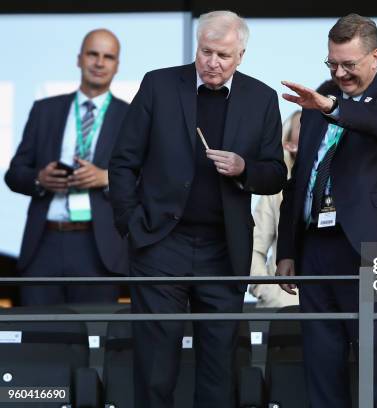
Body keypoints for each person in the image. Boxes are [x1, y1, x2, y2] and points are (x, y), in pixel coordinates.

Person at [108, 11, 285, 408]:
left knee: (219, 369)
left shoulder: (261, 98)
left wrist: (244, 169)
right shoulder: (159, 84)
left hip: (224, 249)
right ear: (197, 47)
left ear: (241, 54)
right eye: (206, 51)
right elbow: (122, 162)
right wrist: (131, 225)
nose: (212, 62)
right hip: (159, 244)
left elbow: (274, 173)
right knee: (155, 367)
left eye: (223, 54)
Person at [276, 14, 377, 407]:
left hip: (376, 250)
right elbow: (299, 179)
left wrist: (331, 107)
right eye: (332, 64)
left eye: (349, 64)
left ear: (375, 56)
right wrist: (287, 249)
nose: (340, 73)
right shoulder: (316, 105)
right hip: (317, 251)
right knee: (321, 365)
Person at [4, 29, 128, 305]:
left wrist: (105, 177)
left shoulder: (130, 116)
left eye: (108, 57)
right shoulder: (44, 110)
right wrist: (40, 179)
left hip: (98, 247)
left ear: (117, 66)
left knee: (93, 340)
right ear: (79, 59)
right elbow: (14, 173)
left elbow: (148, 179)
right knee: (40, 338)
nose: (99, 63)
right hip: (44, 242)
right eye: (92, 54)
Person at [249, 111, 301, 308]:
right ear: (289, 145)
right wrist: (271, 293)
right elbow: (254, 249)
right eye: (302, 123)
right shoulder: (275, 192)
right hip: (284, 309)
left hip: (336, 305)